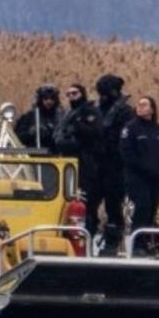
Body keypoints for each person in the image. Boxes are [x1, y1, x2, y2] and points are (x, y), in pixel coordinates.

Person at [119, 96, 159, 255]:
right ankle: (136, 244)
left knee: (152, 210)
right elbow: (126, 152)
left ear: (152, 109)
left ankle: (146, 244)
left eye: (144, 104)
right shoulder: (130, 129)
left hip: (156, 178)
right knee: (142, 207)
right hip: (137, 177)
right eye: (138, 104)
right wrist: (143, 167)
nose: (140, 107)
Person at [94, 74, 135, 255]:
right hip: (96, 164)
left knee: (113, 205)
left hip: (116, 165)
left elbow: (125, 139)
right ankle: (92, 234)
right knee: (91, 204)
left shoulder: (125, 112)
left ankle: (112, 240)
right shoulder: (97, 110)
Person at [53, 84, 103, 226]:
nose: (71, 97)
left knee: (85, 199)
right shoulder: (68, 113)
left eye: (74, 93)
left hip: (86, 161)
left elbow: (95, 133)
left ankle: (88, 229)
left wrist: (77, 128)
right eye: (68, 94)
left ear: (82, 93)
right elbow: (59, 132)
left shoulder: (90, 112)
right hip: (67, 160)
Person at [14, 84, 63, 153]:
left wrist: (51, 132)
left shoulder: (62, 117)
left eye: (52, 98)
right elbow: (17, 137)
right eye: (45, 98)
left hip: (55, 156)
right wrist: (31, 133)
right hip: (34, 154)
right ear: (41, 100)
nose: (49, 101)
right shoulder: (30, 116)